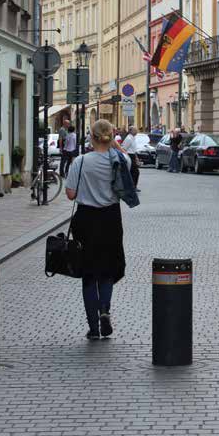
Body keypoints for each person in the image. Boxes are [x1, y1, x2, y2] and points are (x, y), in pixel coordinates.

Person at [65, 120, 130, 341]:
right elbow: (128, 165)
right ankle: (105, 310)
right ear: (111, 136)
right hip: (111, 218)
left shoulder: (80, 162)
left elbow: (71, 194)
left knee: (89, 273)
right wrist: (115, 145)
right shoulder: (120, 160)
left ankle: (93, 327)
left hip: (86, 220)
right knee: (108, 271)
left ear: (91, 137)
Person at [122, 126, 140, 191]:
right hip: (129, 155)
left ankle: (133, 186)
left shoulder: (133, 138)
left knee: (135, 172)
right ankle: (132, 186)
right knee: (134, 172)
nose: (136, 131)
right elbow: (124, 148)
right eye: (135, 130)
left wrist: (136, 157)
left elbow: (134, 149)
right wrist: (127, 157)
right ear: (131, 131)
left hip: (133, 155)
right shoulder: (128, 138)